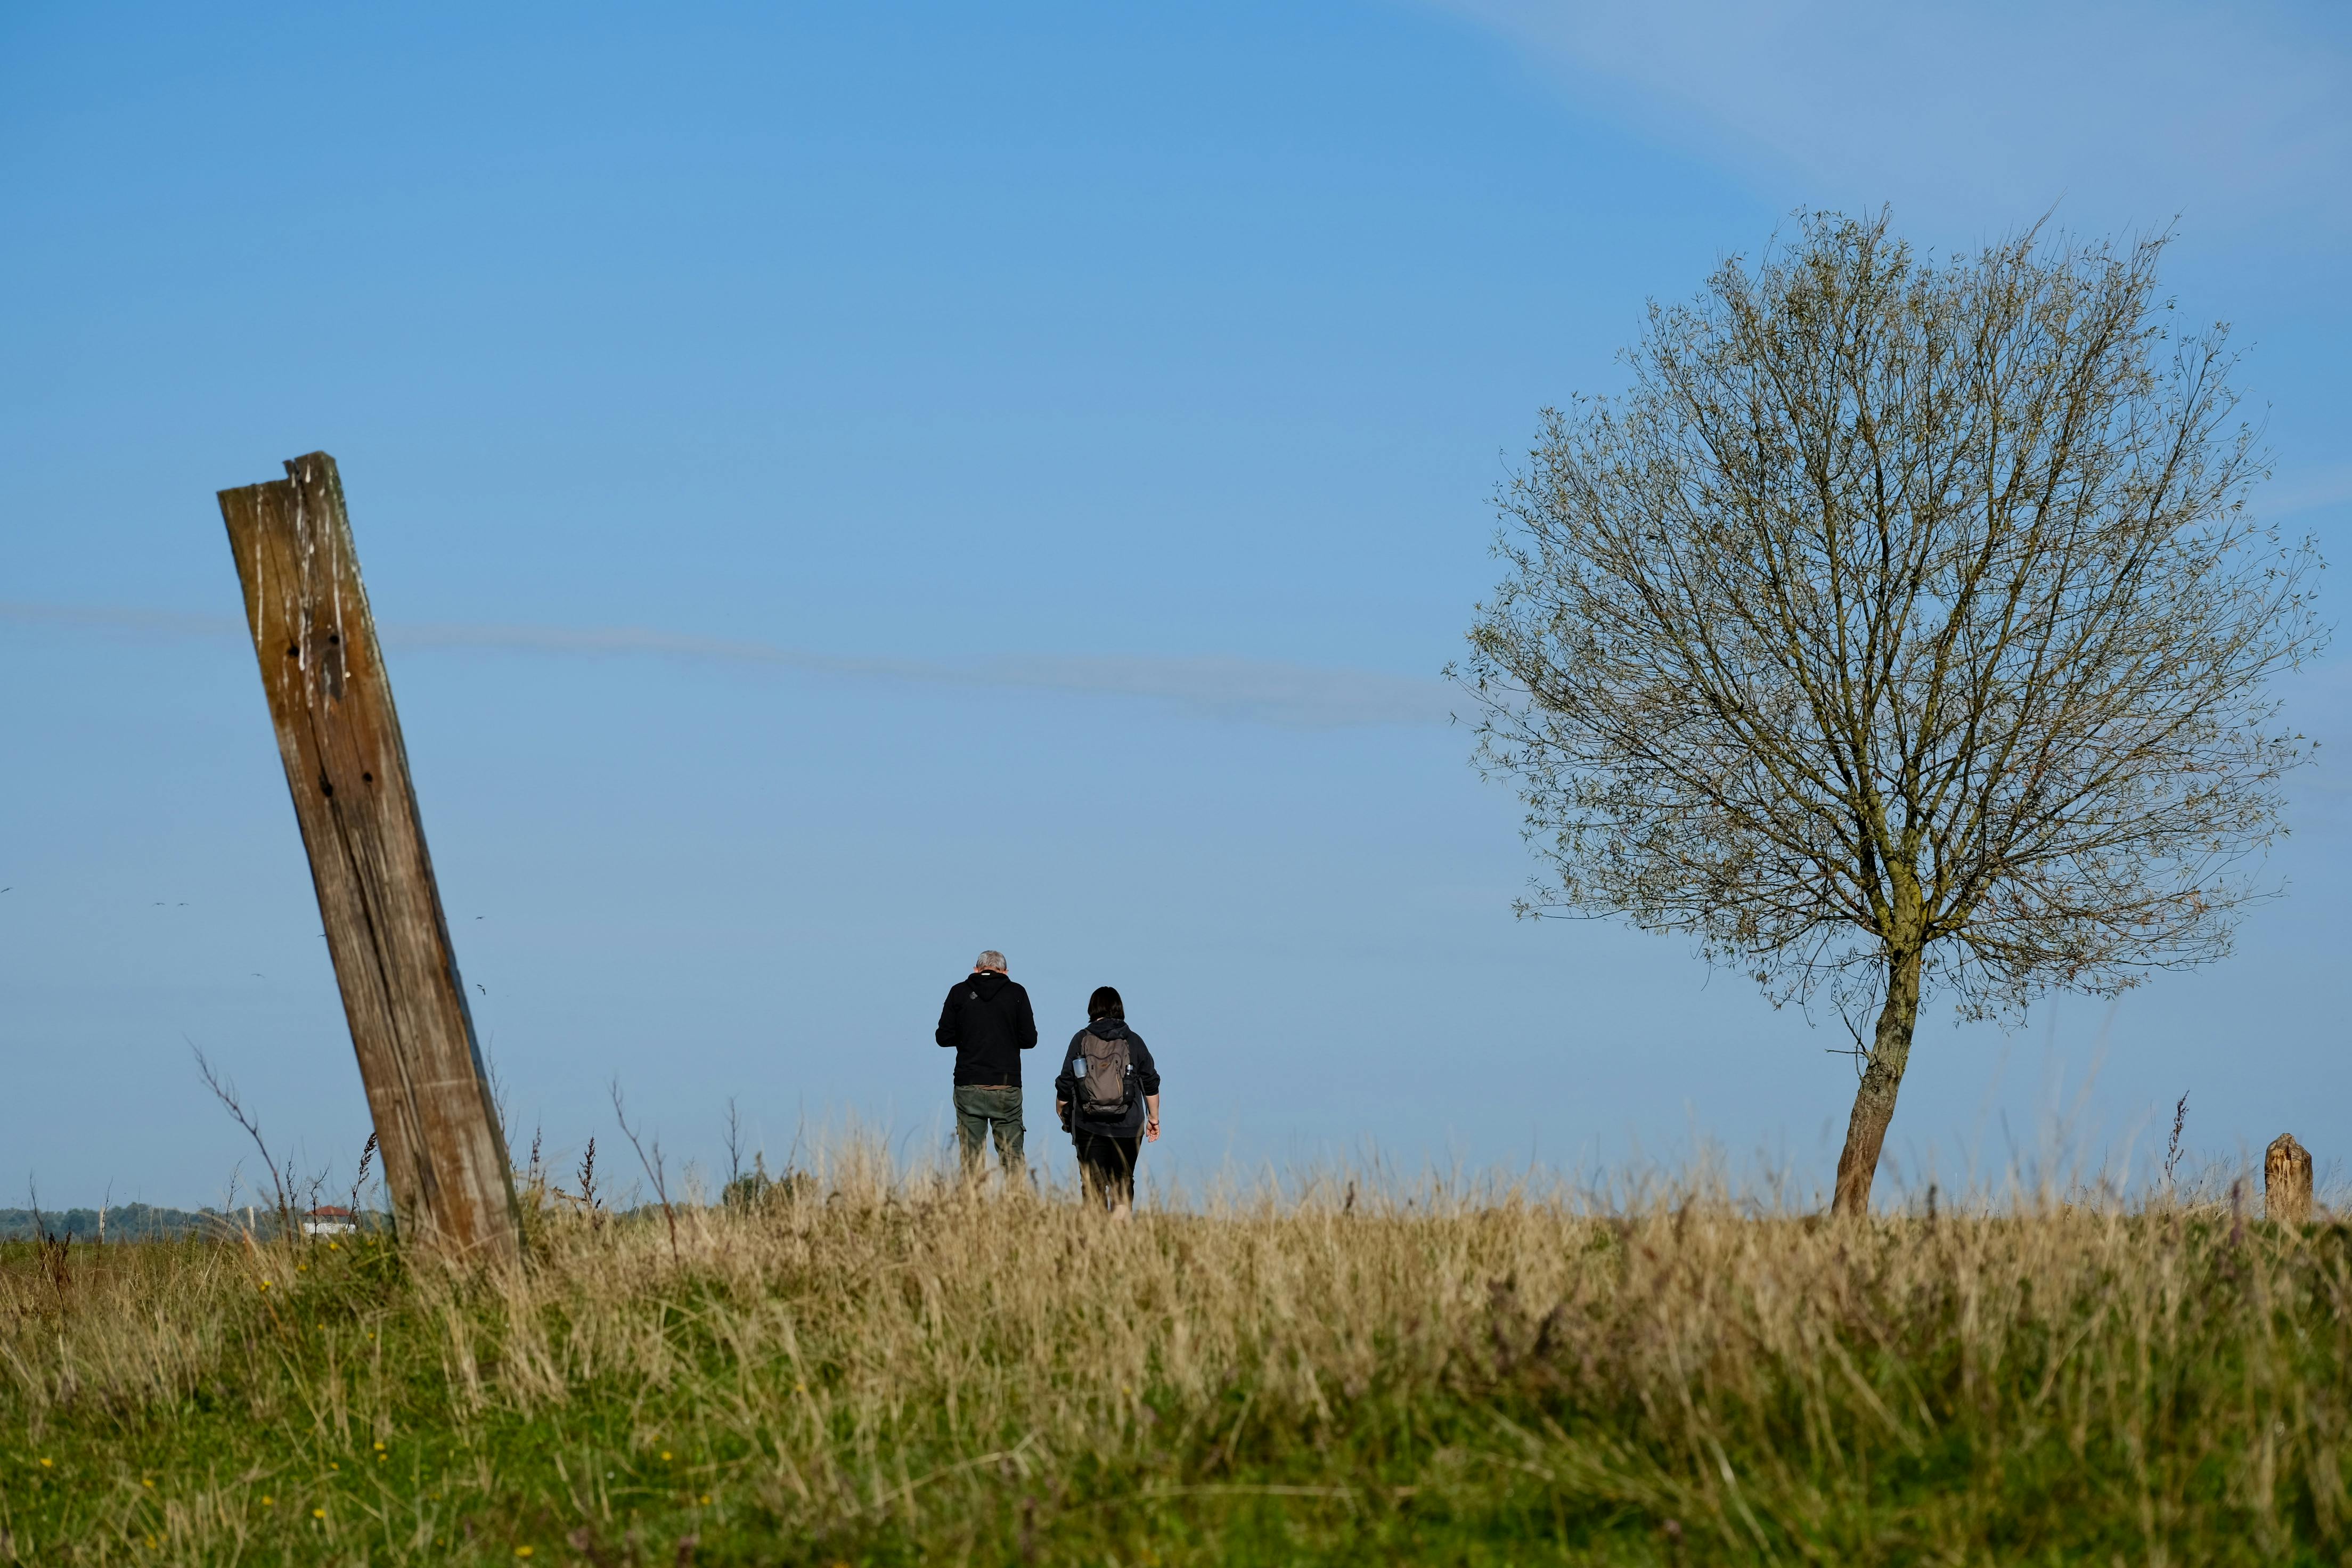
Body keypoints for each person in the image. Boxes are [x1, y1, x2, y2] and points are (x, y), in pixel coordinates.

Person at [1054, 985, 1161, 1217]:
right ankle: (1119, 1242)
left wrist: (1062, 1109)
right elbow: (1151, 1082)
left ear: (1092, 1009)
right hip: (1128, 1127)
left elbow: (1065, 1081)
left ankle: (1096, 1244)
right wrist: (1154, 1118)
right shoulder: (1134, 1041)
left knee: (1093, 1186)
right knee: (1122, 1185)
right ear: (1119, 1009)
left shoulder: (1081, 1039)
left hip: (1088, 1125)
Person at [935, 950, 1038, 1178]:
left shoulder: (958, 993)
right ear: (1005, 972)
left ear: (976, 969)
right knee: (1012, 1157)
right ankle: (1017, 1208)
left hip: (969, 1084)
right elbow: (1030, 1040)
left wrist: (967, 1035)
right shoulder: (1017, 993)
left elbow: (943, 1037)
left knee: (971, 1160)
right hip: (1006, 1085)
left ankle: (972, 1209)